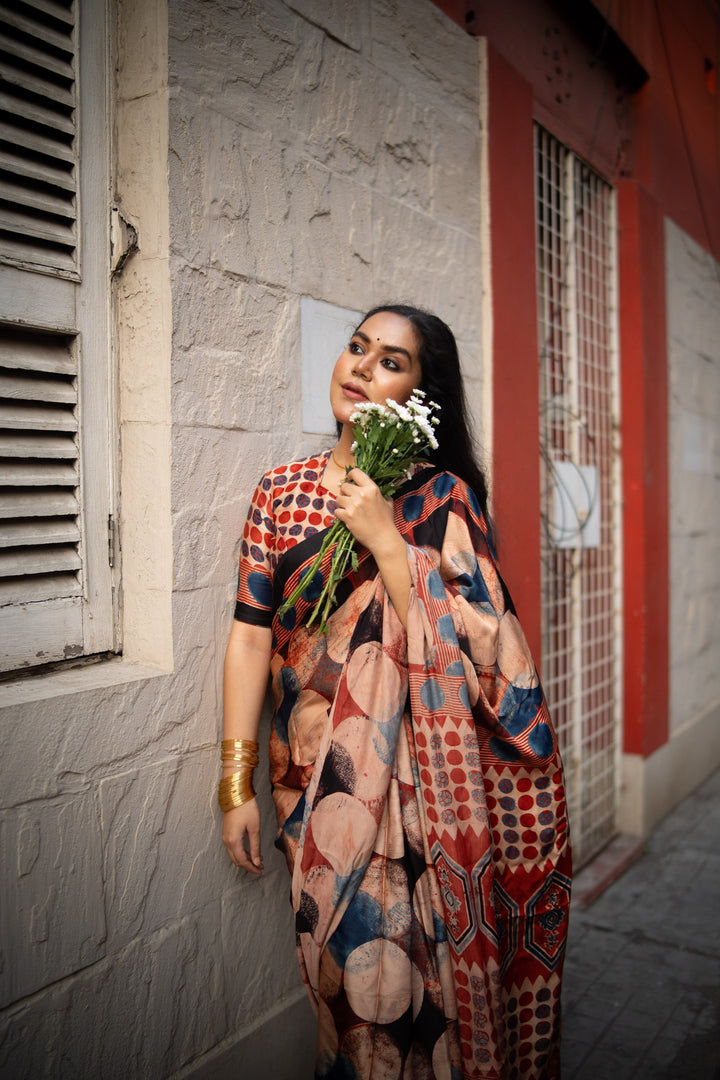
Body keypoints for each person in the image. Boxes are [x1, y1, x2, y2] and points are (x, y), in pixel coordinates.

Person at [221, 304, 571, 1080]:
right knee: (342, 999)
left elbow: (483, 657)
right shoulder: (279, 492)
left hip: (425, 794)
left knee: (419, 1002)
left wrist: (385, 538)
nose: (360, 367)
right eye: (356, 349)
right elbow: (251, 636)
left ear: (422, 392)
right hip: (310, 786)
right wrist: (232, 779)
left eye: (390, 361)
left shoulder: (441, 498)